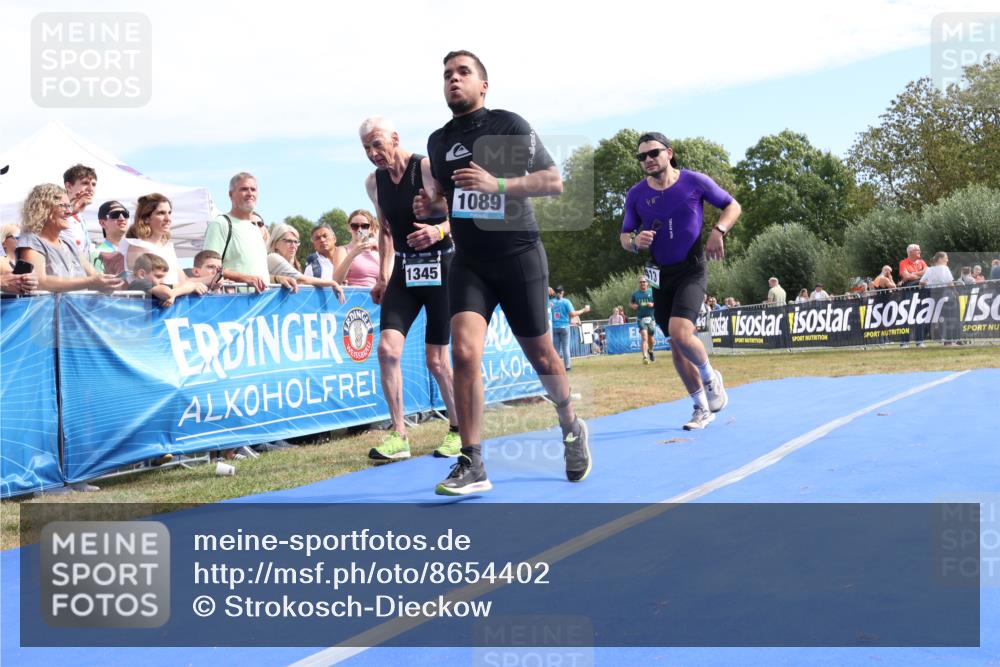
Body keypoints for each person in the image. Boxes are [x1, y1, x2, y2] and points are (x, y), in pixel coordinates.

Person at [415, 49, 590, 494]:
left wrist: (500, 184)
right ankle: (472, 462)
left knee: (544, 357)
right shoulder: (438, 141)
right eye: (447, 75)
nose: (453, 80)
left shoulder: (508, 125)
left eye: (463, 73)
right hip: (469, 261)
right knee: (465, 353)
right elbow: (446, 197)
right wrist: (432, 204)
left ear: (483, 85)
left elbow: (554, 181)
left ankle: (570, 424)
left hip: (518, 256)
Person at [619, 131, 741, 431]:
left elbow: (732, 206)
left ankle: (710, 377)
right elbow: (624, 237)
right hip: (659, 274)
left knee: (680, 331)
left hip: (691, 268)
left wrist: (718, 230)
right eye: (642, 157)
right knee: (675, 345)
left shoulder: (694, 181)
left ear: (669, 153)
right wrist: (636, 241)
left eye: (653, 153)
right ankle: (700, 407)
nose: (648, 160)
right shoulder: (636, 194)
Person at [359, 116, 463, 461]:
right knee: (387, 351)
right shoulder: (374, 183)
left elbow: (462, 212)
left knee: (437, 360)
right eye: (366, 148)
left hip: (441, 265)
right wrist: (383, 276)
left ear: (395, 138)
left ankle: (458, 430)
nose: (373, 153)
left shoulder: (428, 168)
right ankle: (399, 435)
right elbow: (385, 230)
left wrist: (438, 231)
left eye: (377, 144)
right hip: (404, 268)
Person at [15, 184, 124, 293]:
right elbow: (40, 281)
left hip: (78, 309)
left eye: (69, 206)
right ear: (44, 209)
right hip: (53, 310)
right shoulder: (31, 240)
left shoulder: (69, 243)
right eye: (63, 206)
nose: (69, 212)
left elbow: (94, 276)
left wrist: (108, 282)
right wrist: (90, 282)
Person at [202, 172, 292, 292]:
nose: (250, 194)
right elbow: (208, 270)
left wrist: (277, 279)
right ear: (231, 194)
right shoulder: (220, 224)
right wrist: (243, 278)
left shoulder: (255, 229)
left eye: (253, 190)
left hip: (260, 305)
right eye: (244, 189)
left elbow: (255, 275)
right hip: (233, 304)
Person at [122, 194, 190, 287]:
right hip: (152, 301)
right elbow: (146, 287)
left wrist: (212, 279)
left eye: (169, 213)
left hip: (175, 300)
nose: (168, 219)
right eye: (161, 213)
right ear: (146, 219)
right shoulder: (138, 247)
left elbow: (185, 281)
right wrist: (191, 287)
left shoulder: (167, 247)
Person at [266, 223, 346, 298]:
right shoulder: (273, 257)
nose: (293, 245)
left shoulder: (294, 264)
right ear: (275, 243)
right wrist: (333, 283)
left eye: (296, 242)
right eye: (288, 241)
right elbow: (302, 280)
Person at [128, 252, 207, 307]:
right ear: (142, 274)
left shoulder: (157, 285)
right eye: (158, 276)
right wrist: (172, 294)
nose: (162, 281)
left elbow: (189, 284)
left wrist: (174, 294)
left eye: (163, 277)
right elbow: (167, 293)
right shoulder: (138, 283)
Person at [332, 210, 381, 288]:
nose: (359, 230)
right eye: (355, 226)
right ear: (349, 228)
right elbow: (336, 281)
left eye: (364, 226)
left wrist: (384, 255)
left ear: (371, 228)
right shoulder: (342, 250)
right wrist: (353, 253)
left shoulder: (377, 252)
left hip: (374, 297)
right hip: (353, 297)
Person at [549, 285, 590, 372]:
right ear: (562, 292)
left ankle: (556, 367)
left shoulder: (550, 302)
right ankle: (567, 367)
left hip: (554, 327)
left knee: (555, 348)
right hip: (564, 327)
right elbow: (573, 314)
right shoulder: (566, 302)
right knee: (565, 347)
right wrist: (584, 310)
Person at [62, 164, 97, 258]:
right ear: (69, 186)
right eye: (85, 183)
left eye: (94, 184)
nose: (91, 189)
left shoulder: (80, 217)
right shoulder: (56, 217)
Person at [899, 243, 928, 347]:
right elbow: (905, 276)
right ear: (911, 252)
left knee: (920, 315)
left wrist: (912, 275)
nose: (920, 252)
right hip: (908, 293)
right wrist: (920, 274)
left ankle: (919, 341)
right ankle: (904, 342)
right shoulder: (903, 262)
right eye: (918, 250)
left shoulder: (922, 262)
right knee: (906, 316)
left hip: (920, 292)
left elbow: (927, 272)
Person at [91, 200, 129, 275]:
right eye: (115, 215)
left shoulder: (137, 249)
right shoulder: (97, 255)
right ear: (103, 223)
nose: (122, 218)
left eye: (125, 214)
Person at [630, 277, 656, 364]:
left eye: (644, 282)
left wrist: (652, 304)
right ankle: (645, 357)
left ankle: (651, 351)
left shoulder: (652, 292)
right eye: (640, 282)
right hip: (640, 318)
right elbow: (631, 303)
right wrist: (633, 306)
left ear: (647, 283)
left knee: (651, 338)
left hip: (651, 318)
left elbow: (659, 301)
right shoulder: (635, 294)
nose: (642, 283)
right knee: (644, 338)